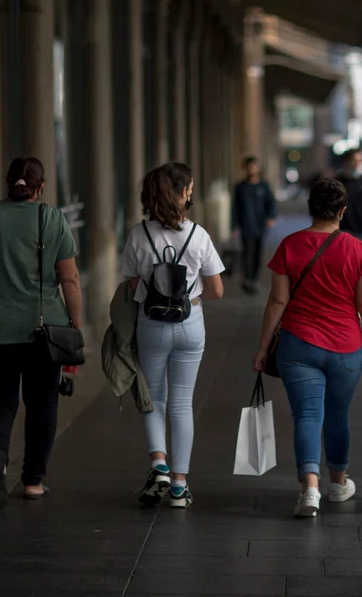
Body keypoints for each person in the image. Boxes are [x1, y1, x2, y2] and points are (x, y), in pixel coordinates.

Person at [253, 178, 362, 518]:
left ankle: (309, 489)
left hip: (298, 345)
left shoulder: (290, 245)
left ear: (310, 208)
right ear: (343, 211)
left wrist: (261, 348)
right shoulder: (358, 250)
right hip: (346, 348)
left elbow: (277, 301)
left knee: (306, 415)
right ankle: (338, 483)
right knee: (337, 415)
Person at [0, 156, 82, 510]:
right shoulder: (53, 218)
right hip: (43, 332)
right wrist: (75, 323)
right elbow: (70, 278)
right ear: (40, 189)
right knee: (42, 402)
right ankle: (33, 482)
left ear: (7, 183)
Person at [120, 162, 226, 509]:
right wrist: (190, 298)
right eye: (190, 190)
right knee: (182, 403)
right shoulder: (198, 235)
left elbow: (133, 284)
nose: (191, 194)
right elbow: (217, 289)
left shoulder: (138, 234)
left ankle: (159, 465)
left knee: (153, 397)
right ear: (182, 194)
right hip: (190, 323)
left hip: (151, 324)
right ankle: (180, 487)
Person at [232, 156, 278, 295]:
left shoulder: (263, 186)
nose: (252, 169)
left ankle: (254, 277)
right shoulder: (240, 187)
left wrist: (271, 217)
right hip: (246, 225)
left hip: (260, 225)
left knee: (258, 251)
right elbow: (235, 208)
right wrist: (234, 226)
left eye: (254, 166)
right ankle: (247, 277)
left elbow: (271, 203)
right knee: (247, 251)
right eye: (249, 167)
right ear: (245, 169)